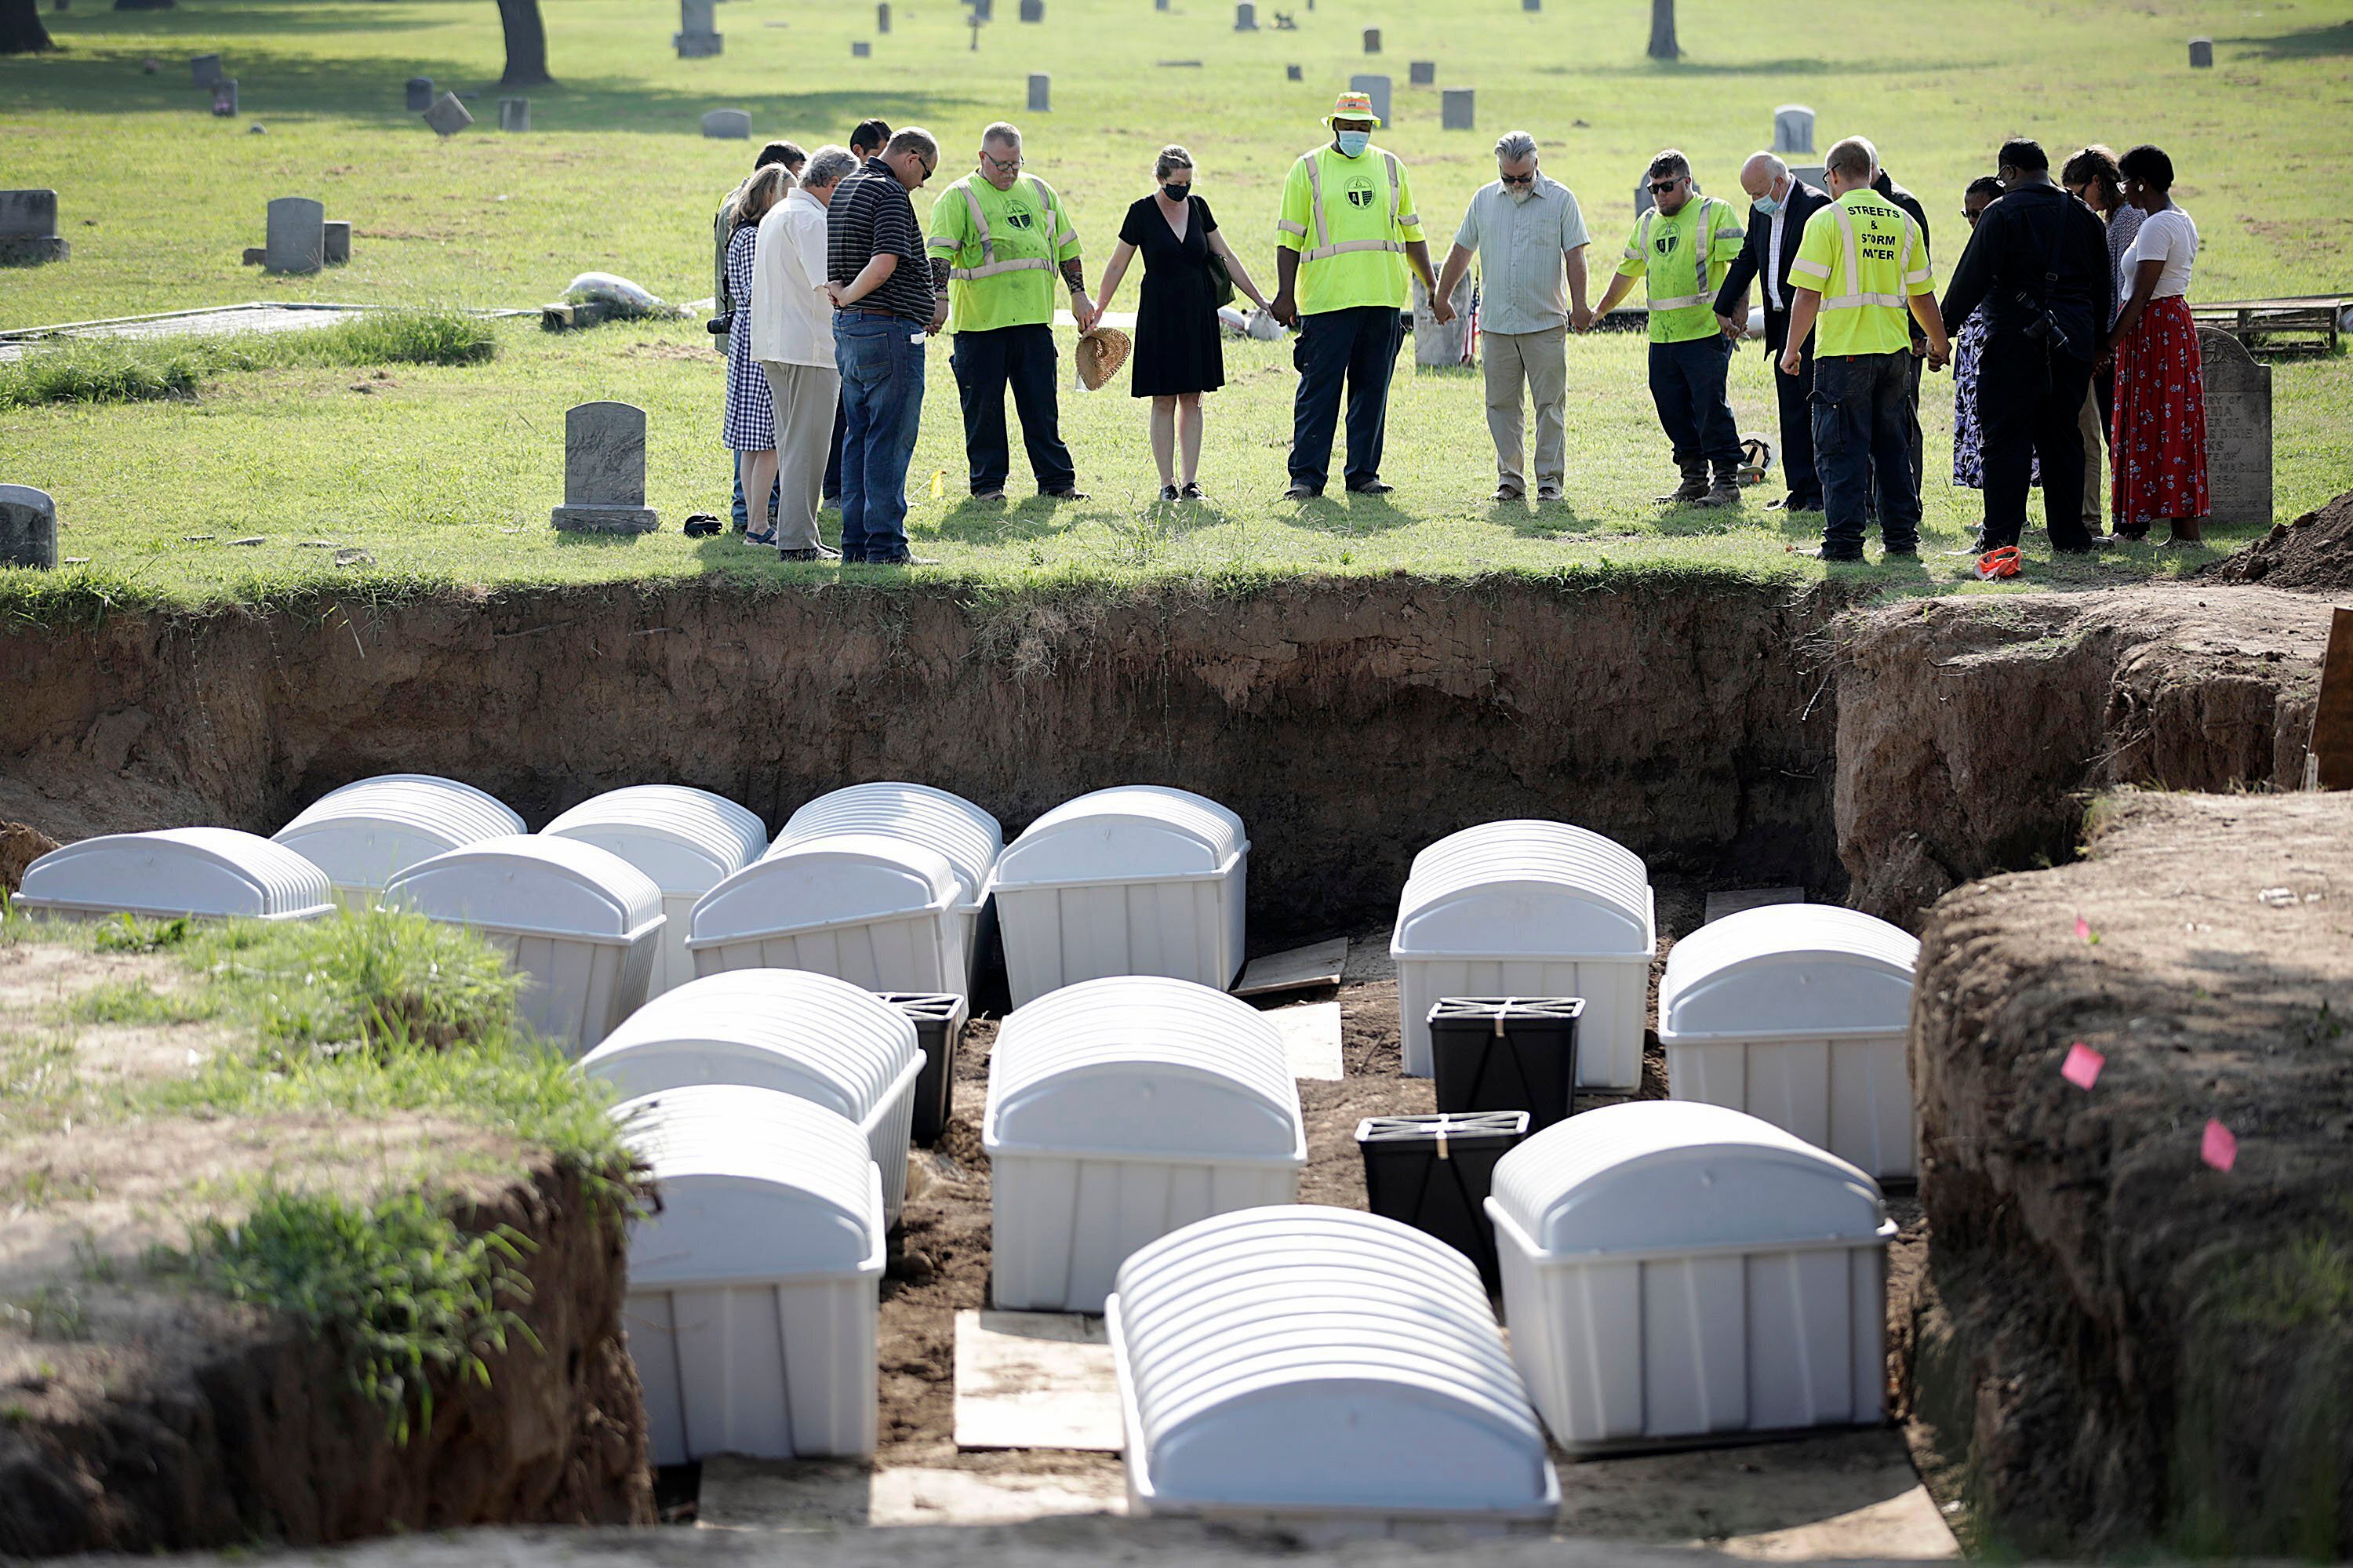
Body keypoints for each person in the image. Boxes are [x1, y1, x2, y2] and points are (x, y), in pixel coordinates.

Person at [1940, 137, 2112, 577]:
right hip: (2071, 343)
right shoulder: (2083, 216)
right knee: (2064, 440)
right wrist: (2096, 346)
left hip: (2014, 342)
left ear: (2011, 173)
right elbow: (2101, 289)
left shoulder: (2000, 213)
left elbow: (1969, 280)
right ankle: (2070, 538)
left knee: (2005, 442)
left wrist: (1938, 334)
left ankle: (2001, 539)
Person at [1780, 135, 1948, 562]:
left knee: (1841, 450)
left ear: (1833, 176)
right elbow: (1923, 296)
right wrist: (1939, 342)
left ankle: (1844, 543)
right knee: (1894, 450)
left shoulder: (1826, 221)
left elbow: (1807, 295)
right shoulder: (1902, 220)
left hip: (1843, 356)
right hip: (1894, 356)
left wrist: (1792, 349)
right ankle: (1902, 541)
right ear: (1872, 172)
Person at [1267, 89, 1437, 499]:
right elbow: (1289, 237)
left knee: (1371, 390)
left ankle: (1363, 474)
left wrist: (1432, 287)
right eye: (1350, 126)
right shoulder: (1307, 168)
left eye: (1364, 127)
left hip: (1382, 298)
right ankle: (1306, 477)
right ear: (1335, 126)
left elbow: (1412, 233)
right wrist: (1285, 294)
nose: (1357, 133)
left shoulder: (1392, 168)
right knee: (1319, 391)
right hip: (1327, 301)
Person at [926, 122, 1094, 502]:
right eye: (1002, 165)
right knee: (983, 411)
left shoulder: (1040, 190)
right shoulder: (959, 197)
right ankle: (988, 486)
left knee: (1042, 407)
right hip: (981, 324)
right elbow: (939, 254)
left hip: (1034, 321)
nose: (1010, 172)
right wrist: (939, 298)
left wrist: (1079, 294)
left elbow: (1067, 248)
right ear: (982, 158)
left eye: (1016, 164)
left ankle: (1057, 482)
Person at [1092, 145, 1271, 500]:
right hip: (1159, 314)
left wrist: (1260, 300)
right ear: (1160, 179)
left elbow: (1227, 257)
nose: (1182, 189)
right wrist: (1099, 308)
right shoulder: (1140, 213)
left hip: (1197, 313)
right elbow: (1117, 265)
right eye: (1176, 183)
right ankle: (1166, 484)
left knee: (1193, 397)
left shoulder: (1200, 208)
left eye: (1188, 182)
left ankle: (1191, 482)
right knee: (1163, 399)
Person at [1431, 131, 1591, 503]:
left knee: (1549, 405)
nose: (1517, 184)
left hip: (1545, 322)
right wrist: (1441, 295)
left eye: (1523, 176)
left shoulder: (1561, 200)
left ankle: (1550, 482)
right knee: (1501, 405)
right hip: (1498, 324)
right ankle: (1510, 479)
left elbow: (1575, 257)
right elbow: (1461, 251)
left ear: (1537, 165)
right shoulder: (1484, 200)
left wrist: (1580, 306)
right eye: (1509, 177)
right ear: (1499, 169)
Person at [1591, 149, 1747, 506]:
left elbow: (1740, 265)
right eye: (1654, 188)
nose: (1660, 195)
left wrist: (1737, 311)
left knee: (1710, 408)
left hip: (1706, 333)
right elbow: (1627, 271)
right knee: (1672, 409)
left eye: (1667, 187)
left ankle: (1726, 481)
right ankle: (1693, 478)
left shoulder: (1715, 212)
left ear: (1687, 182)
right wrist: (1600, 310)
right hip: (1662, 337)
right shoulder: (1647, 222)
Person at [825, 127, 944, 566]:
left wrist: (843, 300)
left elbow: (836, 258)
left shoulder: (847, 185)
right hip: (887, 330)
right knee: (889, 441)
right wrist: (852, 294)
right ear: (912, 158)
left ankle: (855, 545)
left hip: (851, 332)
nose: (922, 184)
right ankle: (887, 547)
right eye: (925, 173)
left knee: (858, 437)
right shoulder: (890, 193)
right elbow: (885, 262)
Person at [753, 145, 857, 561]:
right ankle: (797, 540)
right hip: (809, 346)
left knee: (794, 441)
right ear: (833, 184)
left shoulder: (779, 213)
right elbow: (830, 286)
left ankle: (800, 535)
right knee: (808, 446)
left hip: (777, 344)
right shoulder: (810, 219)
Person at [1714, 151, 1831, 513]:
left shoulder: (1816, 206)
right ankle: (1798, 491)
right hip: (1781, 326)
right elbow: (1748, 256)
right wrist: (1723, 306)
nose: (1754, 201)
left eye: (1757, 192)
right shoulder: (1760, 212)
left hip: (1813, 326)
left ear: (1778, 183)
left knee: (1815, 411)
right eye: (1749, 194)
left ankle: (1819, 494)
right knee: (1791, 411)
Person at [2104, 143, 2208, 545]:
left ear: (2142, 183)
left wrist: (2109, 344)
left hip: (2154, 329)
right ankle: (2183, 529)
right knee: (2173, 424)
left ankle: (2172, 527)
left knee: (2157, 423)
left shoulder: (2156, 225)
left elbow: (2141, 295)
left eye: (2126, 183)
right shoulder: (2180, 219)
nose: (2124, 191)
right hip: (2169, 325)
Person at [715, 140, 806, 537]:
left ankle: (755, 522)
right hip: (759, 340)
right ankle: (757, 523)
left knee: (754, 443)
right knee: (766, 439)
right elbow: (757, 291)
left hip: (749, 338)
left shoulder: (743, 232)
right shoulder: (753, 237)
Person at [2062, 144, 2144, 537]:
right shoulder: (2110, 219)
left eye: (2080, 193)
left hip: (2119, 340)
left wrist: (2105, 346)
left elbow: (2118, 289)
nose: (2079, 202)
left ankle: (2130, 520)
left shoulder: (2127, 219)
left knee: (2120, 432)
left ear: (2097, 182)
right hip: (2109, 340)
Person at [1951, 176, 2037, 498]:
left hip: (2002, 352)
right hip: (1974, 356)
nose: (1974, 221)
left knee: (2005, 437)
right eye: (1968, 214)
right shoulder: (1979, 241)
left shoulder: (2010, 243)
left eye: (1980, 212)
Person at [824, 119, 894, 510]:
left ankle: (847, 492)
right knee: (846, 416)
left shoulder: (874, 191)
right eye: (878, 153)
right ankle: (836, 490)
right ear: (859, 151)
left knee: (855, 416)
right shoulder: (851, 193)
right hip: (856, 319)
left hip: (852, 318)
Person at [1871, 160, 1932, 511]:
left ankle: (1907, 502)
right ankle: (1875, 503)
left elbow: (1919, 277)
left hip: (1902, 337)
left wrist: (1919, 333)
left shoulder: (1903, 207)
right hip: (1869, 337)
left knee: (1902, 421)